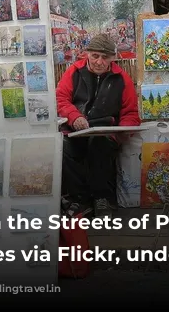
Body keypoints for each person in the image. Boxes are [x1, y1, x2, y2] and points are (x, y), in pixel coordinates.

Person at [56, 33, 141, 219]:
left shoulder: (121, 78)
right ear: (87, 54)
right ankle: (80, 200)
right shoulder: (74, 72)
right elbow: (61, 99)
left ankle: (102, 199)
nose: (99, 62)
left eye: (105, 57)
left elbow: (131, 112)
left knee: (99, 145)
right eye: (95, 56)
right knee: (63, 147)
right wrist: (74, 116)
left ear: (113, 58)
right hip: (75, 128)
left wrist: (123, 131)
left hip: (105, 131)